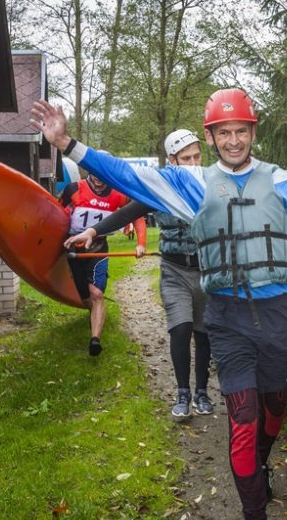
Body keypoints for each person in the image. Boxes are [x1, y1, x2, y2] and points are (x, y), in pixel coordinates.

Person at [32, 88, 287, 520]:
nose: (233, 140)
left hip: (276, 311)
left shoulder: (284, 182)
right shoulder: (192, 184)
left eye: (241, 131)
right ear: (211, 138)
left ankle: (262, 464)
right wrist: (68, 144)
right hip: (227, 315)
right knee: (244, 418)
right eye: (223, 132)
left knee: (275, 407)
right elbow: (125, 175)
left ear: (254, 132)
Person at [65, 129, 213, 420]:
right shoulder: (160, 188)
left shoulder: (210, 184)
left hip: (205, 270)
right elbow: (125, 213)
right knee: (181, 328)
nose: (194, 163)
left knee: (203, 333)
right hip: (174, 270)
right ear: (172, 161)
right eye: (186, 158)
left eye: (197, 156)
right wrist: (92, 231)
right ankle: (183, 393)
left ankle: (202, 391)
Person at [60, 168, 147, 356]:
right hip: (75, 248)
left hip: (98, 248)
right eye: (95, 174)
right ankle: (94, 313)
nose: (99, 180)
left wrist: (141, 244)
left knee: (97, 293)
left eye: (103, 175)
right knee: (86, 298)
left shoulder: (119, 194)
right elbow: (57, 212)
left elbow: (137, 216)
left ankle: (95, 340)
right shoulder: (74, 188)